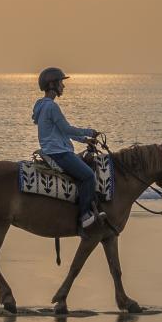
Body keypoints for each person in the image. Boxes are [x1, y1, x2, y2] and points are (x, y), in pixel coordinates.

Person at [33, 67, 104, 231]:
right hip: (59, 153)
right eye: (61, 83)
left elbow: (62, 132)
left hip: (54, 149)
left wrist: (85, 139)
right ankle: (84, 215)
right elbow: (66, 129)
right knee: (87, 176)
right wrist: (89, 131)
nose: (63, 86)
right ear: (52, 84)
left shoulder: (42, 106)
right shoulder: (51, 107)